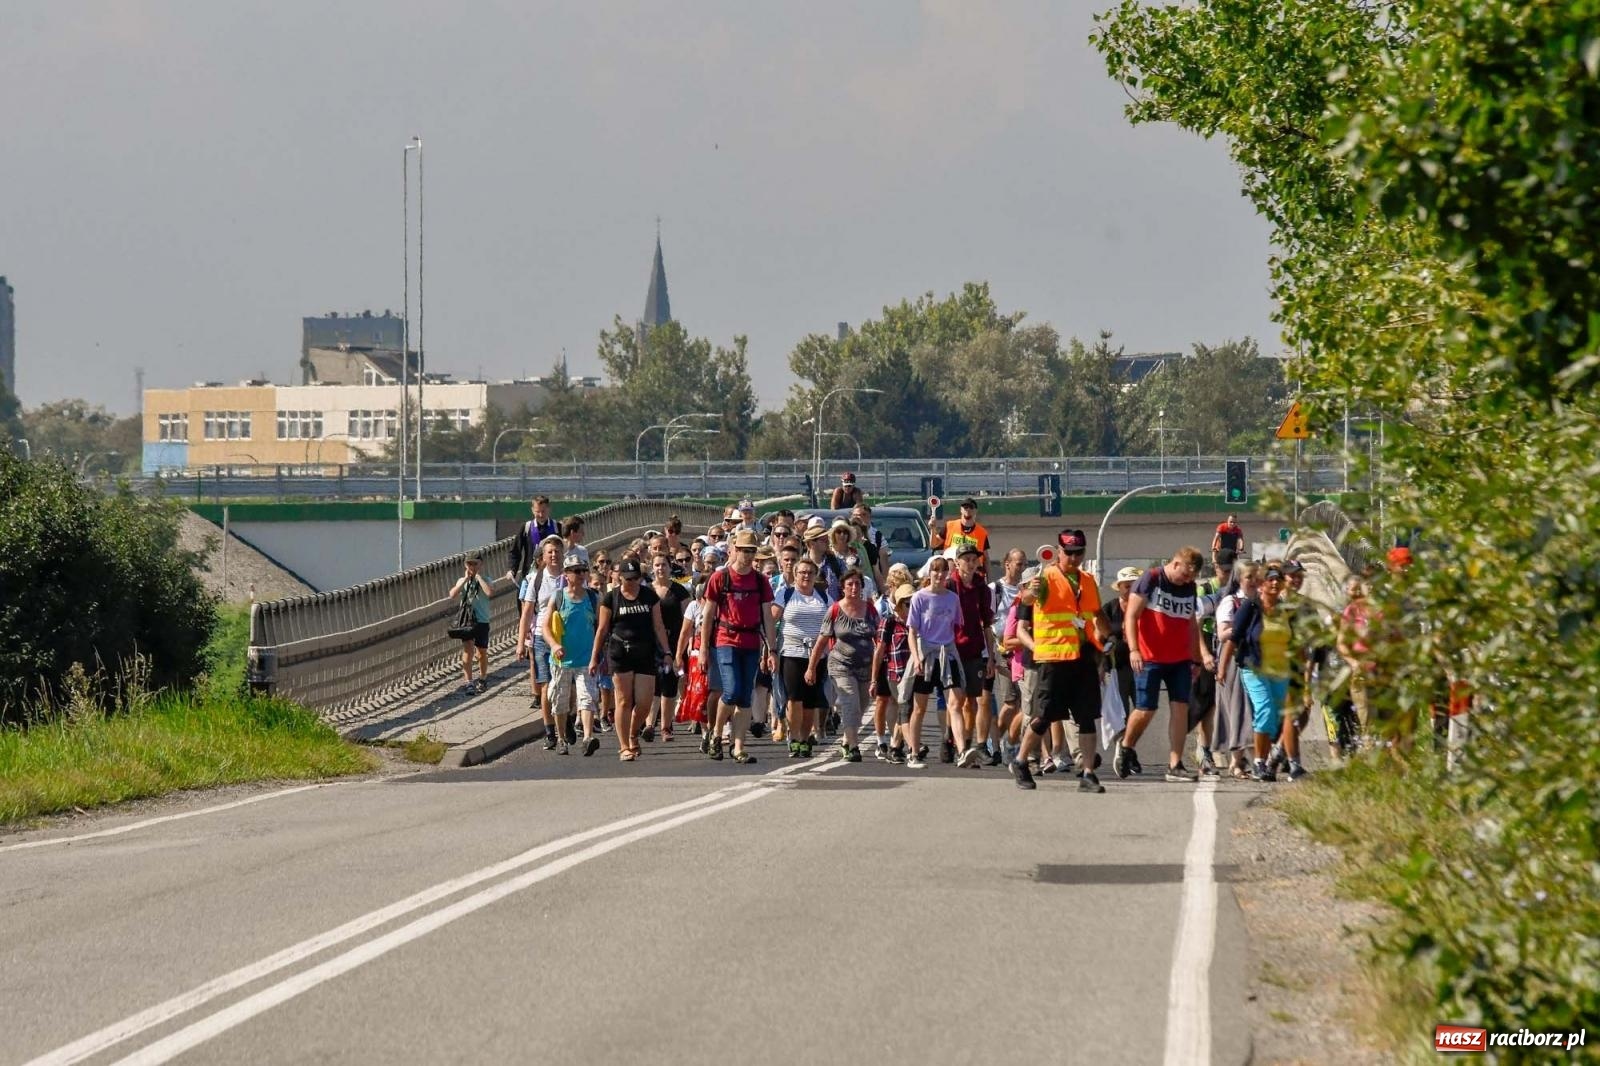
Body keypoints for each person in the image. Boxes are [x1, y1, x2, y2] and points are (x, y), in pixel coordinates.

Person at [1009, 529, 1110, 791]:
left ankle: (1088, 773)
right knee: (1043, 717)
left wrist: (1108, 640)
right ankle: (1021, 761)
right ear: (1059, 552)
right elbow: (1027, 599)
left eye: (1079, 553)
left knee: (1086, 717)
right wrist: (1031, 591)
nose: (1074, 558)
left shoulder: (1087, 580)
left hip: (1083, 656)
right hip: (1054, 658)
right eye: (1069, 553)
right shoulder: (1046, 578)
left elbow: (1096, 613)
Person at [1116, 546, 1213, 783]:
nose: (1187, 580)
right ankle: (1126, 746)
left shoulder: (1189, 587)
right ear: (1176, 564)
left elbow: (1191, 624)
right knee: (1146, 709)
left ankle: (1175, 764)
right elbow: (1132, 615)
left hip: (1179, 659)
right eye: (1185, 574)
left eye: (1191, 577)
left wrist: (1196, 659)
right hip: (1149, 657)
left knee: (1181, 708)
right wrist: (1134, 650)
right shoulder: (1151, 579)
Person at [1216, 562, 1306, 781]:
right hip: (1254, 667)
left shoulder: (1287, 610)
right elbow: (1233, 638)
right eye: (1270, 579)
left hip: (1280, 669)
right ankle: (1258, 763)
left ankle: (1267, 762)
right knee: (1264, 711)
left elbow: (1296, 643)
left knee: (1275, 719)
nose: (1274, 583)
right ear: (1261, 584)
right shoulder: (1251, 606)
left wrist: (1302, 671)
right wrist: (1222, 667)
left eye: (1278, 579)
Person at [699, 529, 777, 764]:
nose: (748, 555)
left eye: (751, 551)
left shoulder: (760, 581)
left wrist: (772, 649)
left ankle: (739, 746)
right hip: (726, 640)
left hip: (751, 641)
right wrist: (703, 649)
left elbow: (767, 617)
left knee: (744, 696)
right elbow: (708, 614)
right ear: (734, 550)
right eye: (744, 550)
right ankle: (716, 733)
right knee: (731, 691)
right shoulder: (720, 578)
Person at [590, 556, 672, 762]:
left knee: (644, 703)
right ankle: (624, 746)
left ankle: (633, 732)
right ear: (620, 578)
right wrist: (594, 657)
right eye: (628, 579)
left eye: (636, 578)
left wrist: (667, 652)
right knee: (624, 700)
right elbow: (602, 629)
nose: (632, 582)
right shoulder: (611, 598)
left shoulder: (649, 595)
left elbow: (659, 625)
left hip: (645, 652)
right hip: (620, 652)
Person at [905, 554, 974, 770]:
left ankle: (961, 751)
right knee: (919, 707)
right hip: (926, 654)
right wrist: (917, 658)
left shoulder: (953, 598)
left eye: (944, 570)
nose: (940, 574)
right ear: (930, 572)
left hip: (947, 654)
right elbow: (912, 632)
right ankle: (913, 753)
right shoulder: (919, 597)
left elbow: (956, 626)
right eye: (935, 570)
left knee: (955, 703)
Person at [807, 568, 880, 762]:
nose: (854, 588)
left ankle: (847, 740)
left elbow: (879, 640)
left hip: (865, 666)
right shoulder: (835, 610)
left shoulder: (870, 609)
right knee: (850, 702)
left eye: (857, 584)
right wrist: (811, 667)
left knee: (861, 706)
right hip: (840, 665)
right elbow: (821, 641)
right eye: (850, 584)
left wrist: (879, 667)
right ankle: (854, 747)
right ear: (843, 588)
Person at [541, 552, 602, 757]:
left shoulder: (593, 598)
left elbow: (601, 627)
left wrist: (599, 654)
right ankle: (561, 738)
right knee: (560, 701)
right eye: (577, 571)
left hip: (586, 659)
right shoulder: (558, 597)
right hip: (562, 661)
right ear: (566, 574)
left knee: (587, 698)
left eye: (584, 570)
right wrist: (554, 645)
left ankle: (587, 738)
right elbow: (545, 627)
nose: (581, 574)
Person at [949, 541, 997, 768]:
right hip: (952, 650)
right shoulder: (950, 585)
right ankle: (957, 745)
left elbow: (987, 623)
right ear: (957, 562)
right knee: (956, 700)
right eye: (966, 559)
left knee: (972, 701)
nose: (970, 563)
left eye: (973, 559)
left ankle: (968, 746)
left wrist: (991, 656)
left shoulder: (982, 589)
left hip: (975, 650)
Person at [514, 536, 565, 744]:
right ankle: (550, 731)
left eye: (557, 551)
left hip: (565, 637)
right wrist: (520, 643)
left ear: (562, 554)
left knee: (566, 686)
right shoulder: (536, 579)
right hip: (541, 637)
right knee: (546, 685)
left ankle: (567, 723)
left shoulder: (570, 576)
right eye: (549, 552)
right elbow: (527, 613)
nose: (553, 555)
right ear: (543, 556)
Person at [1211, 564, 1260, 778]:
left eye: (1257, 577)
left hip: (1255, 658)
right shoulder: (1231, 602)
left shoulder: (1261, 602)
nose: (1254, 581)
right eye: (1249, 577)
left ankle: (1241, 761)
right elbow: (1223, 633)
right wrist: (1243, 627)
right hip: (1233, 659)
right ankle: (1240, 761)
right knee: (1238, 708)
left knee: (1253, 709)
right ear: (1239, 579)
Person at [778, 558, 830, 757]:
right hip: (792, 652)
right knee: (794, 698)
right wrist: (769, 650)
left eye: (810, 572)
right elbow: (771, 619)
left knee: (810, 701)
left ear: (815, 575)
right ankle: (794, 737)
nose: (806, 576)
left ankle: (804, 738)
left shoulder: (823, 597)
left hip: (817, 655)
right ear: (795, 575)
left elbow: (835, 616)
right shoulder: (786, 594)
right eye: (802, 572)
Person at [642, 552, 691, 742]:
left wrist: (685, 645)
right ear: (652, 568)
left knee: (669, 683)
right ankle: (649, 724)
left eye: (664, 565)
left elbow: (688, 620)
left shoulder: (679, 591)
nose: (660, 568)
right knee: (651, 683)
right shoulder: (646, 590)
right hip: (651, 643)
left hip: (673, 641)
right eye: (657, 565)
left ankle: (666, 726)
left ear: (670, 568)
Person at [1100, 565, 1143, 759]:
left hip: (1141, 666)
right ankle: (1123, 749)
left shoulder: (1145, 607)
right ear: (1119, 587)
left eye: (1135, 585)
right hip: (1116, 668)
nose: (1131, 589)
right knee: (1120, 712)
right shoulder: (1110, 609)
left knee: (1142, 710)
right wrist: (1101, 665)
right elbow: (1099, 638)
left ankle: (1129, 748)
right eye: (1127, 586)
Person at [870, 582, 915, 763]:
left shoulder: (916, 622)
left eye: (914, 603)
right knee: (904, 709)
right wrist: (874, 679)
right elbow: (879, 651)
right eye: (907, 604)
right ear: (900, 605)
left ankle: (895, 747)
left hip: (914, 674)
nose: (911, 608)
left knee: (907, 710)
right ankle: (913, 748)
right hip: (895, 674)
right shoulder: (889, 622)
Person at [449, 554, 495, 694]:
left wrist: (478, 578)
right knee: (468, 650)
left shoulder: (486, 580)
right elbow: (452, 594)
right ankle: (468, 681)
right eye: (470, 564)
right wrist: (465, 580)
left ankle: (482, 677)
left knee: (481, 652)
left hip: (482, 620)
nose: (472, 567)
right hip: (467, 621)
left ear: (481, 564)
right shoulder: (462, 580)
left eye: (475, 564)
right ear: (465, 565)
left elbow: (489, 593)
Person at [507, 495, 561, 586]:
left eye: (543, 511)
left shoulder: (557, 527)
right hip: (530, 574)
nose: (541, 515)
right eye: (537, 512)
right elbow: (515, 551)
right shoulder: (526, 527)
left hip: (552, 575)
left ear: (549, 509)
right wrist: (512, 570)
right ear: (532, 510)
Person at [930, 498, 990, 572]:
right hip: (952, 572)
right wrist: (933, 529)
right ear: (961, 510)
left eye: (971, 507)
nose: (968, 509)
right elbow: (934, 544)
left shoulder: (981, 532)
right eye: (965, 507)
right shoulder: (950, 526)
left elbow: (986, 559)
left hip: (974, 573)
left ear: (975, 511)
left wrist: (989, 577)